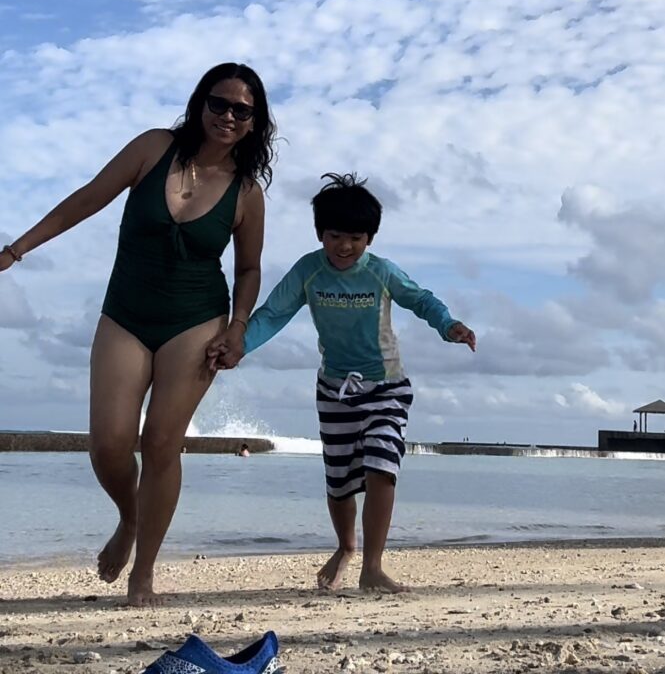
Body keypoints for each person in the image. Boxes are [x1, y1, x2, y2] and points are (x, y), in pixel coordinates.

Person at [0, 62, 275, 606]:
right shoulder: (154, 147)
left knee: (161, 444)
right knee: (108, 445)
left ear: (253, 123)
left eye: (241, 110)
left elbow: (248, 269)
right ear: (201, 104)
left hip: (196, 319)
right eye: (218, 103)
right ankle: (130, 517)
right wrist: (16, 250)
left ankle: (143, 572)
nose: (227, 115)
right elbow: (88, 198)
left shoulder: (246, 192)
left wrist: (239, 327)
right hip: (125, 313)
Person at [210, 172, 476, 593]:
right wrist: (241, 344)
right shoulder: (309, 272)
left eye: (356, 237)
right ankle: (346, 547)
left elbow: (420, 299)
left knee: (381, 468)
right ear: (320, 233)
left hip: (387, 386)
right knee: (338, 483)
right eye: (335, 236)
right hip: (334, 389)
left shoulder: (382, 273)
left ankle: (373, 565)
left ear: (370, 237)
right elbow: (274, 313)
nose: (345, 246)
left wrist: (448, 325)